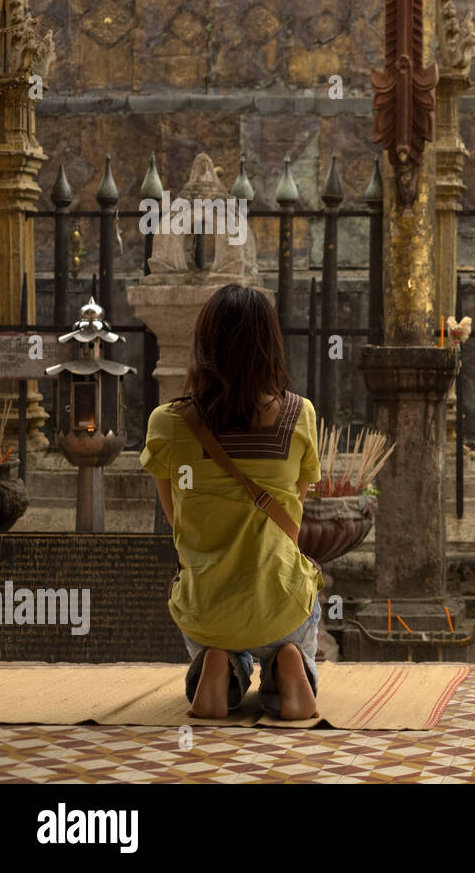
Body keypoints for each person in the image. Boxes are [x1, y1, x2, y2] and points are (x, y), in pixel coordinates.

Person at [139, 283, 324, 720]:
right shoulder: (301, 416)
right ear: (270, 347)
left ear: (203, 347)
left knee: (210, 624)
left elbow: (176, 519)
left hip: (207, 605)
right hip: (279, 603)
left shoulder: (167, 423)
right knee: (298, 610)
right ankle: (288, 665)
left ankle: (218, 664)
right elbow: (292, 516)